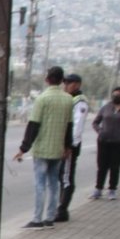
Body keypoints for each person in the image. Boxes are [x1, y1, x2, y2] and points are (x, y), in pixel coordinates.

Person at [13, 66, 73, 229]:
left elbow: (33, 125)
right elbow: (69, 126)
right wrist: (68, 146)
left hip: (42, 149)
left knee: (40, 184)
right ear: (62, 81)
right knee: (54, 183)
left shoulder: (42, 99)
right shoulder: (68, 100)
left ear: (47, 79)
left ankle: (37, 219)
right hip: (58, 149)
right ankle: (50, 217)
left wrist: (23, 149)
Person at [90, 85, 120, 200]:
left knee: (115, 166)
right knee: (102, 166)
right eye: (114, 95)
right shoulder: (106, 107)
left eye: (118, 95)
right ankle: (98, 189)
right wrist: (100, 131)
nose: (115, 97)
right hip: (103, 140)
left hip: (119, 142)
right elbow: (95, 122)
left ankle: (112, 189)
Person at [55, 74, 89, 221]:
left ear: (77, 84)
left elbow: (77, 127)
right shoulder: (71, 100)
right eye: (65, 83)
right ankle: (60, 207)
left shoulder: (80, 102)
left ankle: (62, 210)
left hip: (70, 146)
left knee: (67, 178)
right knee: (62, 176)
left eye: (68, 83)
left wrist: (69, 147)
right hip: (65, 144)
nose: (65, 86)